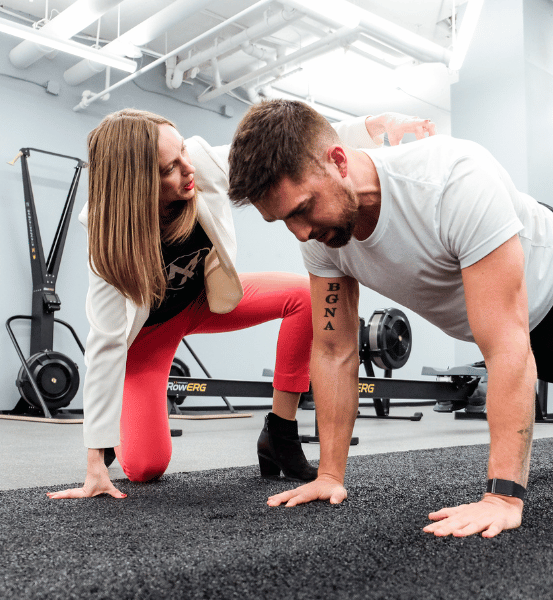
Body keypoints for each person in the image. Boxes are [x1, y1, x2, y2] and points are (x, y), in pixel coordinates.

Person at [225, 99, 553, 538]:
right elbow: (334, 349)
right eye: (282, 221)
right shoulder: (323, 239)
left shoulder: (450, 180)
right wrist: (328, 473)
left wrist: (503, 497)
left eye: (301, 209)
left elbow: (505, 348)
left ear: (338, 161)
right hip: (501, 314)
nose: (298, 232)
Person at [47, 107, 436, 501]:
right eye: (170, 168)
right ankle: (121, 431)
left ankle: (280, 433)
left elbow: (297, 147)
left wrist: (377, 127)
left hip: (201, 301)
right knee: (146, 468)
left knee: (304, 296)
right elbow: (104, 346)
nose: (188, 168)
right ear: (138, 184)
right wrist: (95, 466)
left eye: (183, 151)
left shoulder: (199, 165)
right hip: (148, 339)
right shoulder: (109, 241)